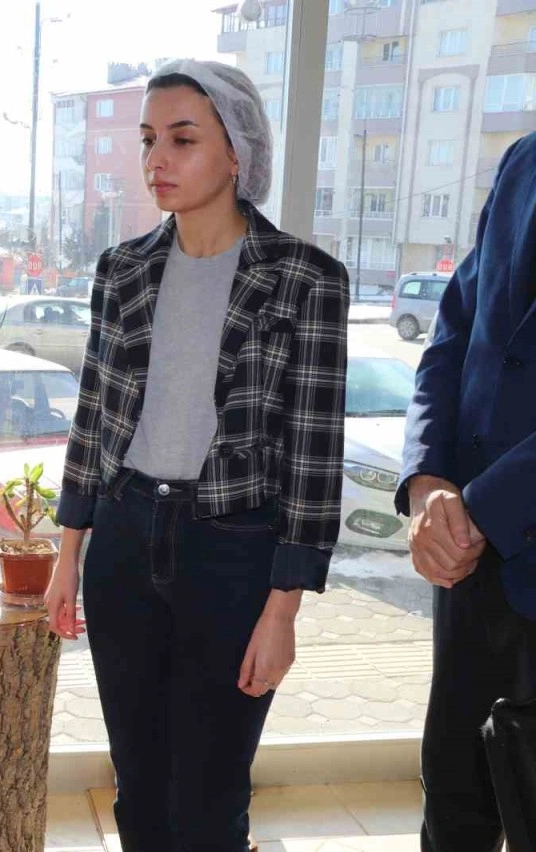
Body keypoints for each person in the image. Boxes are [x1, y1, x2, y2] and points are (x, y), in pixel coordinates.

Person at [46, 59, 349, 851]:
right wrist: (66, 554)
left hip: (234, 553)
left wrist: (283, 610)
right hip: (123, 539)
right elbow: (93, 415)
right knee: (140, 790)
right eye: (149, 139)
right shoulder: (122, 270)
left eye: (183, 139)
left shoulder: (306, 279)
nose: (157, 159)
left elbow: (313, 457)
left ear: (238, 151)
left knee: (210, 801)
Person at [397, 131, 536, 850]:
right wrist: (427, 482)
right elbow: (454, 333)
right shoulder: (524, 159)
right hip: (469, 568)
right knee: (455, 801)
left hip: (488, 527)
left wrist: (482, 508)